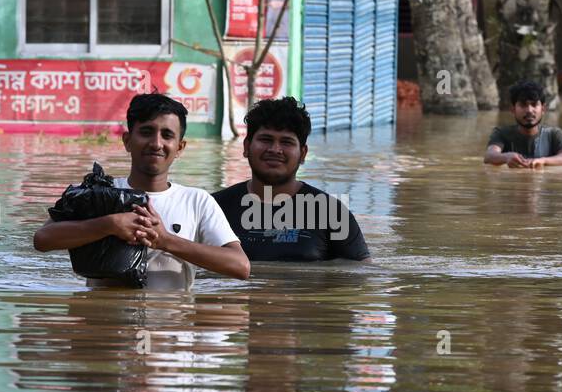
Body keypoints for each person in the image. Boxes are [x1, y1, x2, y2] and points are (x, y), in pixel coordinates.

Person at [33, 93, 249, 288]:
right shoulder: (100, 193)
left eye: (167, 135)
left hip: (172, 326)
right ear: (127, 141)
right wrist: (109, 224)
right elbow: (43, 239)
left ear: (180, 147)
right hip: (104, 327)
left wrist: (165, 240)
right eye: (146, 132)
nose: (156, 143)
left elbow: (240, 267)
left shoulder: (196, 200)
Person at [212, 96, 370, 262]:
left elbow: (359, 275)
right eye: (266, 139)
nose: (275, 149)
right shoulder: (214, 207)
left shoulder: (331, 213)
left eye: (286, 142)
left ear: (303, 154)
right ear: (246, 147)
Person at [484, 80, 562, 168]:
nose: (529, 110)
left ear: (543, 109)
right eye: (523, 105)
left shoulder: (553, 134)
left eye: (534, 104)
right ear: (513, 109)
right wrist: (506, 157)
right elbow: (489, 156)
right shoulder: (501, 133)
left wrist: (543, 161)